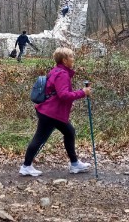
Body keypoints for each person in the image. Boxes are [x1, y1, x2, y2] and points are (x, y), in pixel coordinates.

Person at [19, 47, 92, 177]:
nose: (73, 59)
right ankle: (26, 166)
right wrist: (83, 92)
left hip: (49, 110)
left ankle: (74, 163)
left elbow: (56, 94)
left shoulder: (55, 71)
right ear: (64, 60)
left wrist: (71, 100)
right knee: (41, 137)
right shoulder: (62, 74)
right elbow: (63, 95)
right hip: (51, 113)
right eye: (71, 57)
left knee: (68, 132)